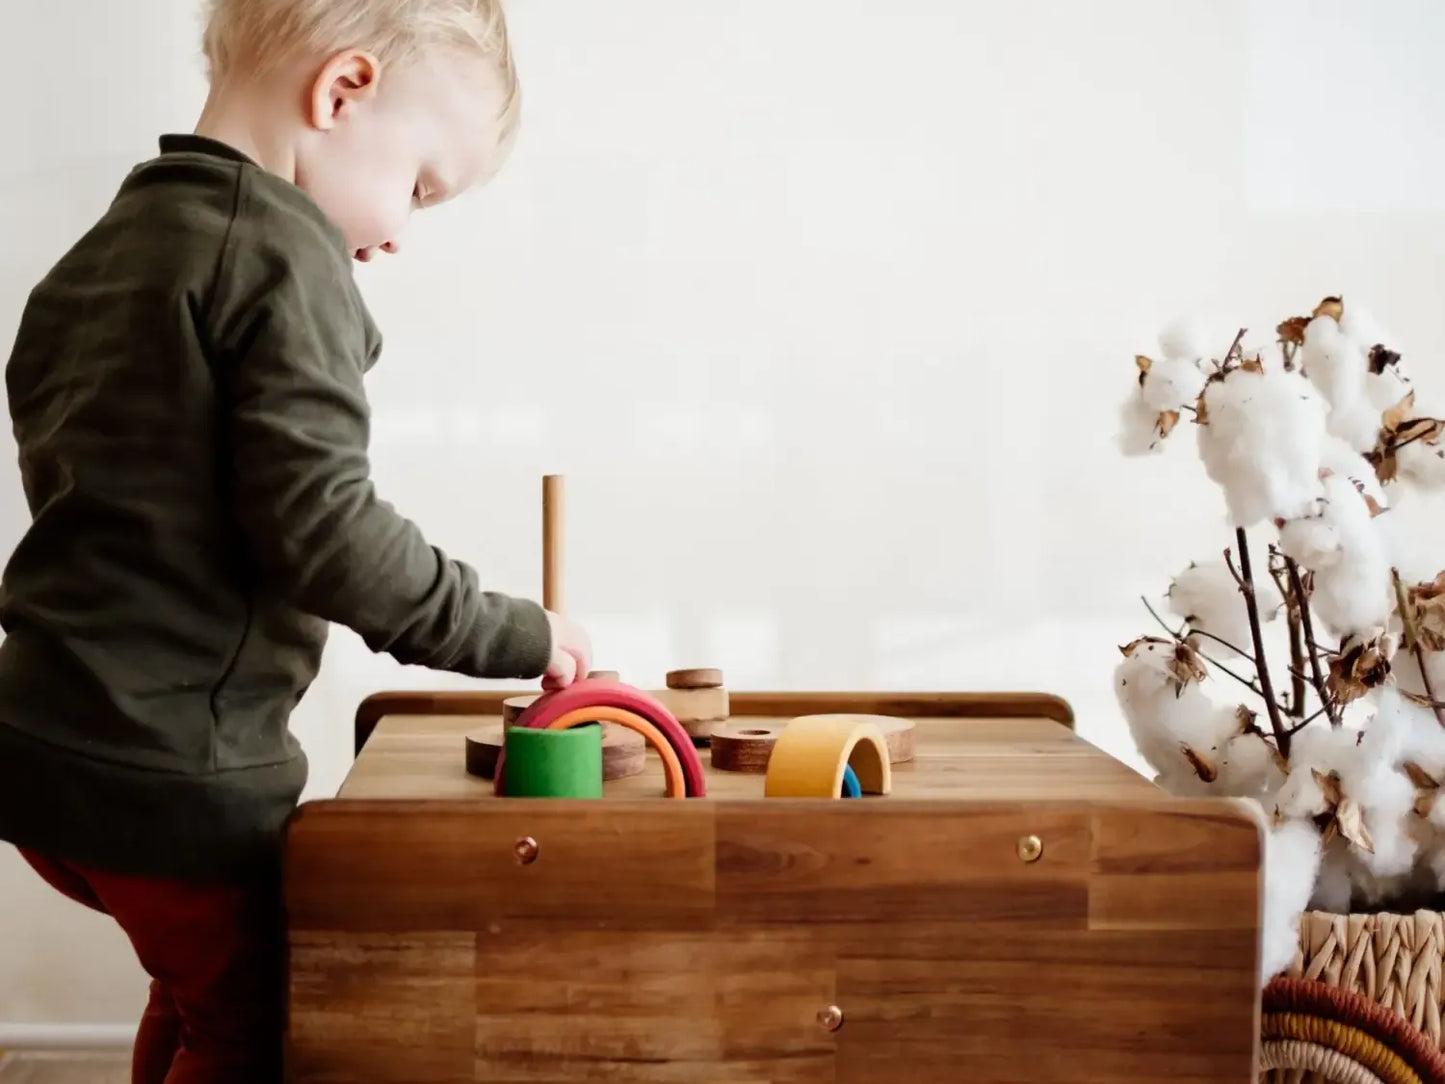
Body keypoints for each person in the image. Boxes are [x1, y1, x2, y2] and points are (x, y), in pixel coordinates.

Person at [0, 1, 587, 1080]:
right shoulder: (285, 260)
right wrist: (521, 631)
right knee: (262, 1026)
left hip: (37, 745)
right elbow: (329, 534)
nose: (403, 229)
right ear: (341, 91)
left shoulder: (105, 250)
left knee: (195, 991)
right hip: (175, 778)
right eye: (418, 184)